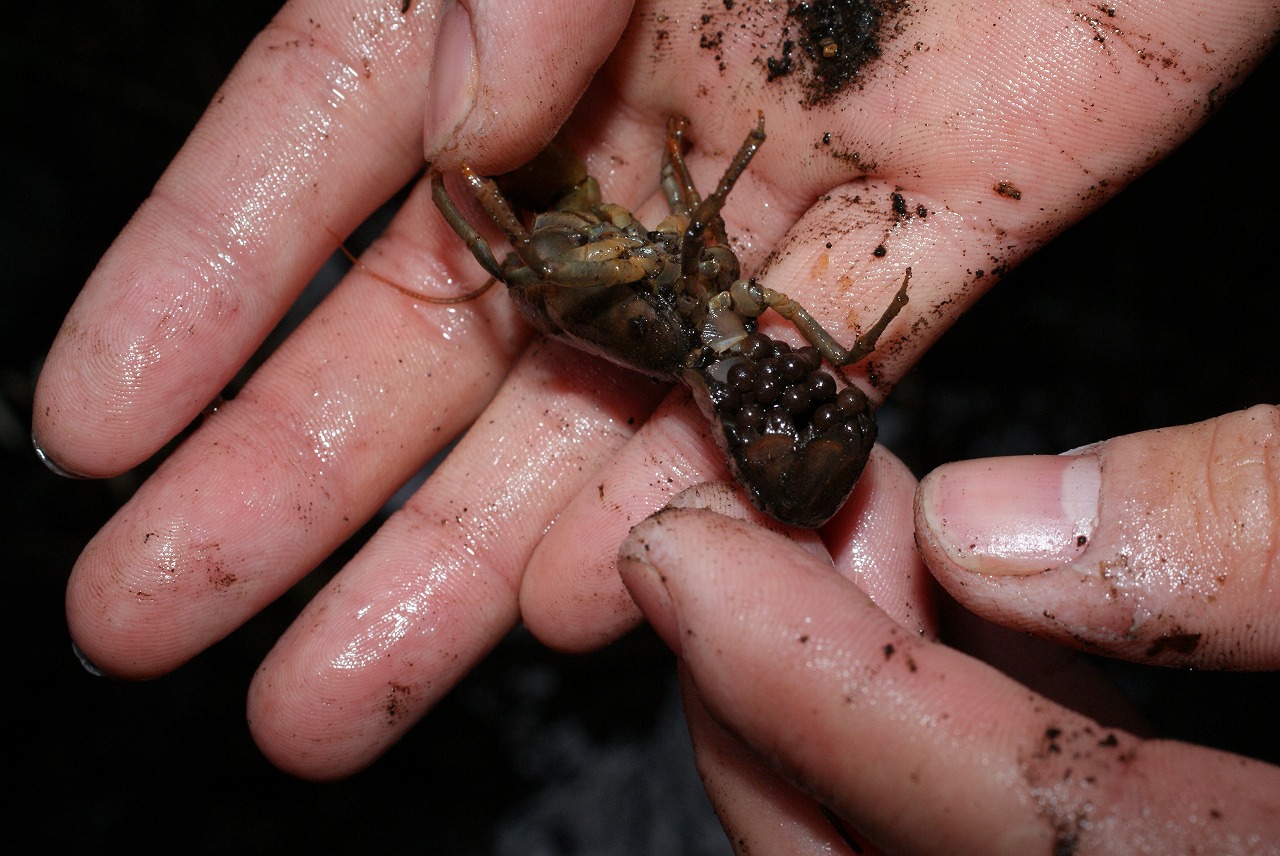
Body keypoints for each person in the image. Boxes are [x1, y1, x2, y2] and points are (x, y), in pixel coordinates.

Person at [34, 0, 1279, 850]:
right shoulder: (701, 307)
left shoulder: (692, 312)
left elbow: (684, 226)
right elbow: (690, 230)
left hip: (770, 405)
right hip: (762, 388)